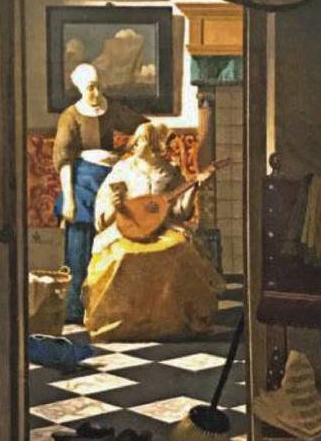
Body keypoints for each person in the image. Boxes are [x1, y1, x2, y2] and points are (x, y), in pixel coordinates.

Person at [83, 121, 224, 341]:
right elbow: (103, 208)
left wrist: (195, 186)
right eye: (137, 140)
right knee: (121, 255)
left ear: (155, 145)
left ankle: (171, 322)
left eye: (142, 141)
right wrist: (115, 205)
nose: (135, 144)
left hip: (163, 227)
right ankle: (121, 323)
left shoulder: (169, 171)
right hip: (126, 226)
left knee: (180, 250)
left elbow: (179, 212)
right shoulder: (122, 170)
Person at [52, 63, 145, 323]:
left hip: (112, 179)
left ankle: (110, 308)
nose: (95, 92)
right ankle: (74, 309)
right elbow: (64, 160)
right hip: (82, 182)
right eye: (90, 88)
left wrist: (130, 147)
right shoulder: (70, 116)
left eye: (98, 86)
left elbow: (142, 127)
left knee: (116, 244)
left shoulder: (111, 108)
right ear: (80, 88)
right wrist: (69, 199)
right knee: (79, 248)